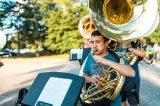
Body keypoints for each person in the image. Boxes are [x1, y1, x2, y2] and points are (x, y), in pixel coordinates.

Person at [81, 30, 135, 106]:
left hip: (113, 102)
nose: (94, 45)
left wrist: (106, 61)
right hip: (94, 100)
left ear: (106, 43)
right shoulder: (90, 56)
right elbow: (83, 76)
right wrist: (91, 79)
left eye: (98, 42)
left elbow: (132, 73)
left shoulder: (115, 56)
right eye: (92, 42)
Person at [117, 41, 146, 106]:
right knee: (122, 102)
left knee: (134, 104)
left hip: (132, 81)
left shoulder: (135, 49)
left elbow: (143, 54)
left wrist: (129, 48)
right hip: (120, 81)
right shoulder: (117, 49)